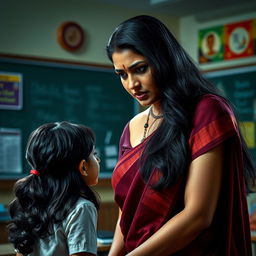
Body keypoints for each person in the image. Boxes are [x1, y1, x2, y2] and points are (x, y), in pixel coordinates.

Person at [106, 15, 256, 256]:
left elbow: (198, 215)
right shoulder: (132, 127)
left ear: (163, 59)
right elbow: (128, 211)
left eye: (140, 69)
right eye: (122, 75)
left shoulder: (207, 112)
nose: (132, 84)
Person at [8, 121, 100, 256]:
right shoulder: (81, 207)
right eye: (94, 154)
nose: (98, 160)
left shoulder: (29, 200)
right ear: (83, 167)